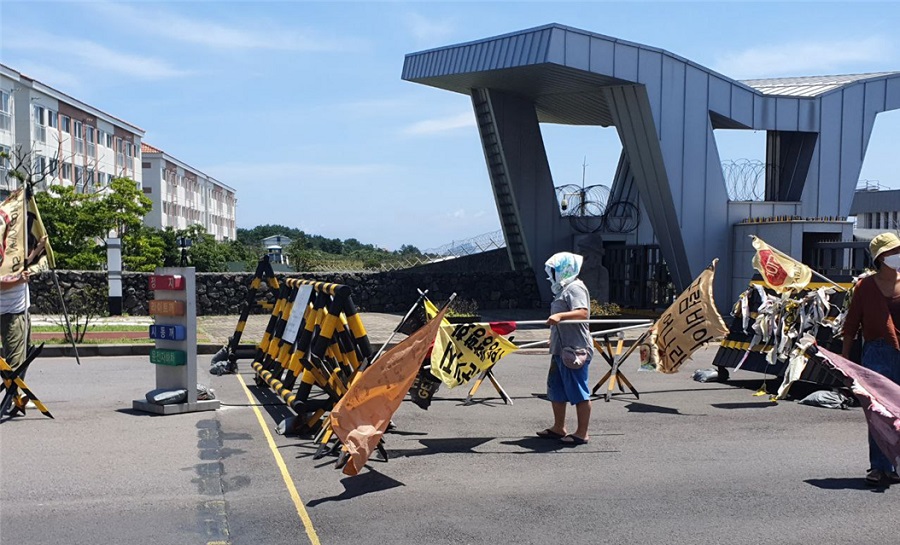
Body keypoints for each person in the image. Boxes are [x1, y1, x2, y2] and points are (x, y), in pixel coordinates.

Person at [842, 231, 900, 486]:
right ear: (880, 258)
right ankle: (879, 467)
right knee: (878, 412)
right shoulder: (865, 286)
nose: (898, 255)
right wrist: (845, 357)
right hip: (876, 353)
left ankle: (895, 465)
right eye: (893, 252)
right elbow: (851, 324)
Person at [536, 252, 594, 445]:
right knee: (556, 389)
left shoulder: (575, 287)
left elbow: (583, 313)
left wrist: (560, 316)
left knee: (578, 390)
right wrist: (552, 337)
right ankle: (558, 427)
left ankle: (582, 433)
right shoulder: (563, 289)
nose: (551, 274)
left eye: (554, 270)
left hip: (574, 348)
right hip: (560, 348)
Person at [1, 269, 31, 377]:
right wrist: (19, 281)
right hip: (9, 314)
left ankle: (17, 385)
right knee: (15, 366)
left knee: (24, 358)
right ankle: (14, 387)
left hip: (22, 310)